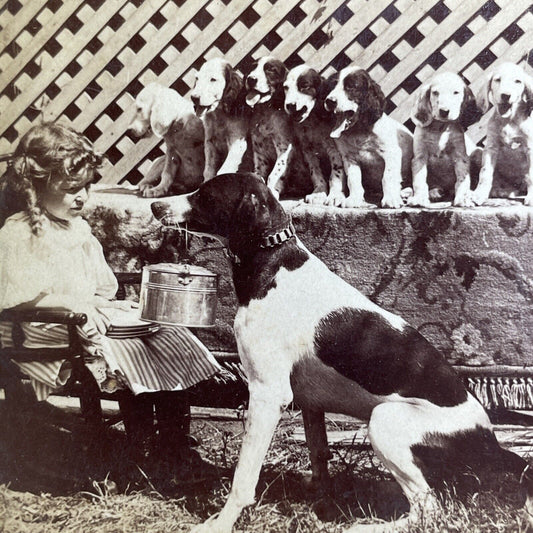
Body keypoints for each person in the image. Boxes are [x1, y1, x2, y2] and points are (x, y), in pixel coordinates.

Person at [0, 122, 223, 465]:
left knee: (161, 335)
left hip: (81, 322)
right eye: (72, 188)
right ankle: (137, 444)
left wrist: (110, 304)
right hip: (41, 333)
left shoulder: (78, 229)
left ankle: (172, 441)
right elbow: (21, 295)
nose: (82, 197)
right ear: (36, 187)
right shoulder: (21, 234)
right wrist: (79, 306)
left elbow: (101, 286)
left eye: (87, 187)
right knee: (123, 349)